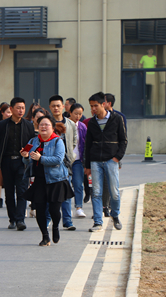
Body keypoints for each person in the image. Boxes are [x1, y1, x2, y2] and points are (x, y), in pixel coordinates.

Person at [21, 115, 74, 246]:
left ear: (52, 127)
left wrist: (41, 158)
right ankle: (45, 236)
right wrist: (26, 156)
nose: (43, 127)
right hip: (39, 180)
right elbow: (27, 161)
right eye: (41, 125)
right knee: (39, 209)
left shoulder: (57, 141)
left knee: (54, 210)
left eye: (46, 125)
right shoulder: (33, 141)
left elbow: (58, 159)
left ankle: (55, 227)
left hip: (56, 180)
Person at [0, 97, 35, 231]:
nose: (21, 111)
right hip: (6, 162)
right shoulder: (2, 125)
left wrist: (28, 154)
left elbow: (32, 143)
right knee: (9, 192)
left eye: (23, 108)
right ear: (11, 109)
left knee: (22, 191)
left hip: (22, 162)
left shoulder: (28, 125)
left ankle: (20, 219)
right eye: (18, 108)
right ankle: (12, 219)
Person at [84, 92, 128, 232]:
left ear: (104, 104)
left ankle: (115, 215)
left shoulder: (117, 118)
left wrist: (117, 158)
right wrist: (87, 165)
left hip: (111, 160)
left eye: (95, 105)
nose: (93, 109)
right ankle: (98, 222)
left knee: (114, 192)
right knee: (96, 192)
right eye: (91, 106)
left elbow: (123, 140)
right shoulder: (92, 122)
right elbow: (88, 144)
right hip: (95, 161)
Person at [48, 95, 77, 231]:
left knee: (66, 192)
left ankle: (67, 221)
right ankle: (48, 219)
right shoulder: (47, 123)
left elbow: (74, 142)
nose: (56, 108)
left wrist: (71, 157)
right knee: (50, 194)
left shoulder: (70, 124)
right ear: (50, 107)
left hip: (65, 164)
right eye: (53, 105)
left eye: (58, 105)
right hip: (49, 163)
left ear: (63, 107)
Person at [68, 103, 87, 218]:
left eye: (80, 114)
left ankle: (79, 207)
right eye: (76, 113)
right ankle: (66, 208)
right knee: (66, 185)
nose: (78, 116)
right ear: (70, 113)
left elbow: (84, 144)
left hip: (78, 160)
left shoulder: (82, 127)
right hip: (66, 160)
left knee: (78, 184)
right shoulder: (65, 125)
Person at [28, 107, 47, 218]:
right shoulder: (29, 130)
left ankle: (37, 207)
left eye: (42, 118)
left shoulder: (46, 131)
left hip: (43, 162)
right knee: (31, 185)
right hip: (31, 162)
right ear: (33, 118)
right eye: (38, 118)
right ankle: (32, 207)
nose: (40, 120)